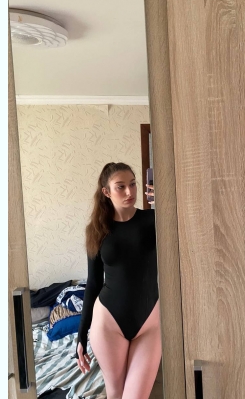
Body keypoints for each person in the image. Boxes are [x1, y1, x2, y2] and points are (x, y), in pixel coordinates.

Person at [75, 162, 161, 399]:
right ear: (106, 191)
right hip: (109, 323)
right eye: (120, 186)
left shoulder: (155, 219)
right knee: (115, 393)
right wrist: (81, 334)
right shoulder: (97, 230)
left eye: (132, 184)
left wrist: (167, 203)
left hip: (149, 324)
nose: (129, 191)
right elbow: (93, 283)